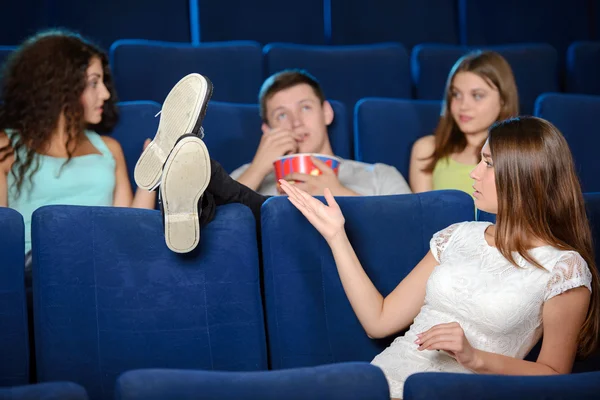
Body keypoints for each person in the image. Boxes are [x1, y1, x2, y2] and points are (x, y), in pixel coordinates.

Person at [280, 116, 599, 399]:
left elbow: (555, 376)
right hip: (381, 382)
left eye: (487, 163)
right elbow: (378, 321)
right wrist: (336, 236)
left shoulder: (564, 268)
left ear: (523, 176)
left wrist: (475, 357)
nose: (474, 173)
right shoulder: (458, 235)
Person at [0, 30, 156, 260]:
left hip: (103, 261)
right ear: (60, 88)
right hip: (37, 265)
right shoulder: (6, 145)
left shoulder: (109, 148)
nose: (104, 94)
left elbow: (128, 231)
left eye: (103, 82)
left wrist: (151, 176)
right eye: (94, 83)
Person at [230, 69, 411, 197]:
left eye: (305, 108)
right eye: (282, 115)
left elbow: (411, 233)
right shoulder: (245, 178)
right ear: (267, 130)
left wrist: (340, 194)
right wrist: (258, 168)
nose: (296, 122)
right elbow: (211, 230)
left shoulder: (380, 175)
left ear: (327, 113)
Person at [409, 51, 519, 195]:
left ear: (503, 99)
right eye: (456, 94)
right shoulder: (427, 150)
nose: (463, 106)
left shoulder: (518, 155)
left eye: (477, 96)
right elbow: (425, 214)